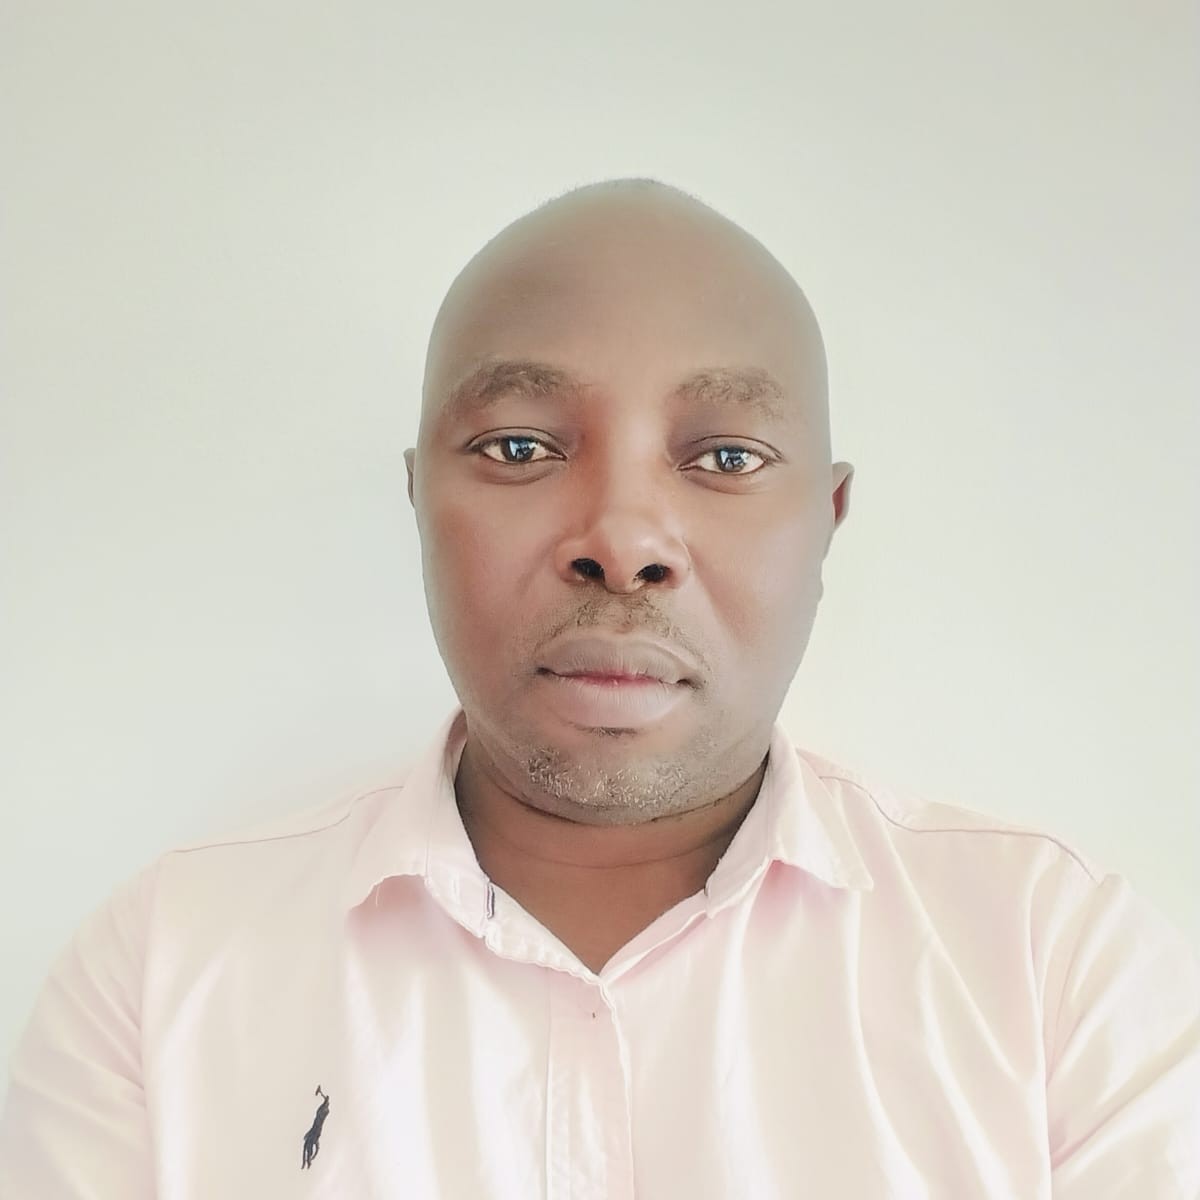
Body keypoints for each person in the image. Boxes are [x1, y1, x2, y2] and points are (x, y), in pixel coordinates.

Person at [1, 178, 1197, 1197]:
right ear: (419, 500)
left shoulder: (1057, 971)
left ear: (827, 521)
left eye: (725, 456)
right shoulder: (163, 971)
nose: (623, 542)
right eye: (520, 447)